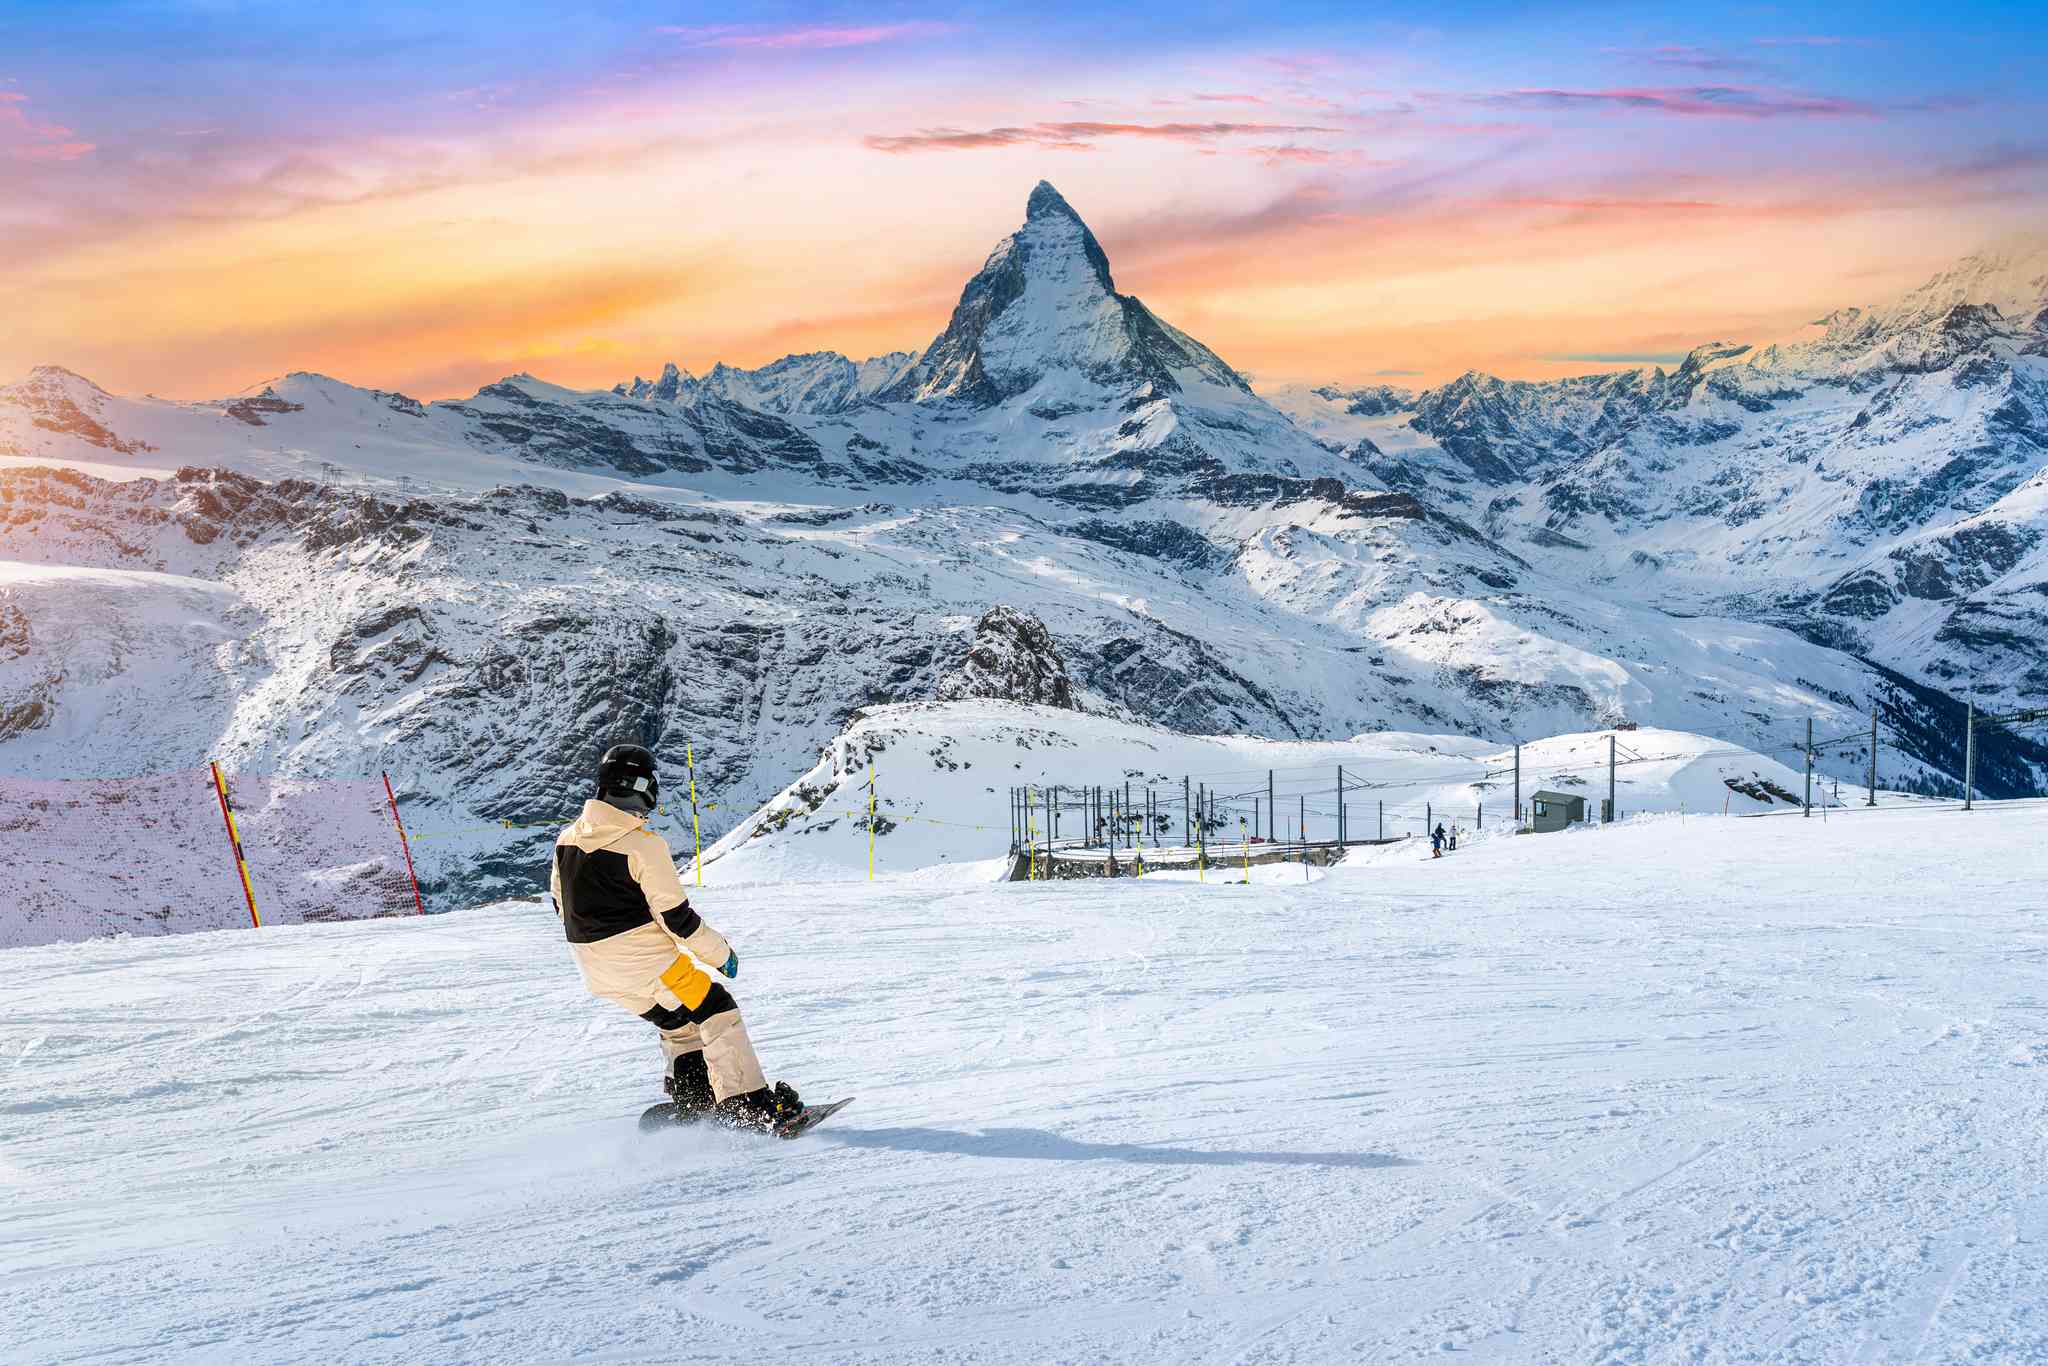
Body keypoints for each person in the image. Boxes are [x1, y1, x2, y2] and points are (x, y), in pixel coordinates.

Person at [551, 743, 804, 1132]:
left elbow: (559, 901)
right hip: (648, 965)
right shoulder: (642, 844)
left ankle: (695, 1098)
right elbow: (677, 919)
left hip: (597, 973)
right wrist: (720, 956)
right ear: (643, 787)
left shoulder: (566, 839)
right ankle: (746, 1104)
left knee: (678, 1024)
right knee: (716, 1008)